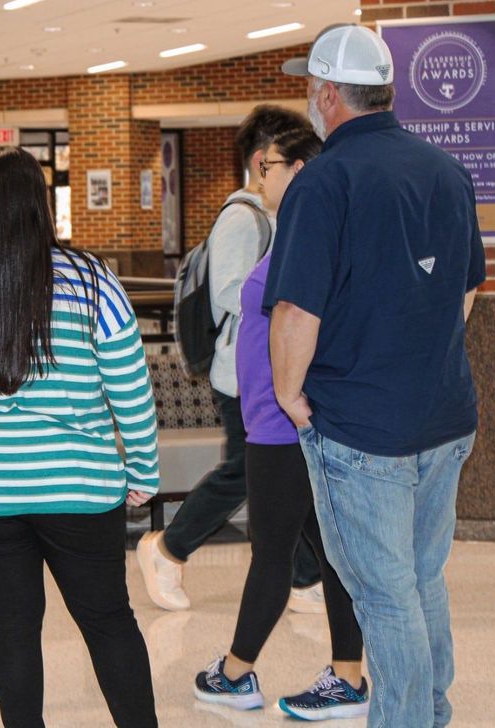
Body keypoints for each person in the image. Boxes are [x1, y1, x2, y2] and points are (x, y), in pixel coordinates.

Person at [267, 25, 486, 728]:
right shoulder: (445, 170)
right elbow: (466, 288)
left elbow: (297, 307)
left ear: (327, 94)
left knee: (385, 593)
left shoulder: (324, 180)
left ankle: (407, 719)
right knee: (422, 580)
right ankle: (430, 709)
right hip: (444, 416)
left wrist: (288, 394)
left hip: (364, 430)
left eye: (310, 85)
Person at [0, 147, 160, 728]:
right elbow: (130, 387)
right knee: (107, 619)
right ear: (39, 205)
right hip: (77, 481)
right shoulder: (91, 282)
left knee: (13, 621)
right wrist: (143, 471)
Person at [193, 124, 369, 720]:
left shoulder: (307, 234)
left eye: (265, 165)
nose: (257, 176)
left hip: (282, 422)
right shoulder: (296, 231)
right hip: (279, 419)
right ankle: (347, 675)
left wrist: (292, 403)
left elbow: (302, 319)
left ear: (297, 169)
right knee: (327, 553)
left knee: (271, 553)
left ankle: (236, 672)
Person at [137, 104, 322, 612]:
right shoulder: (242, 217)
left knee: (290, 471)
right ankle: (168, 549)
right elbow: (230, 295)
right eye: (291, 159)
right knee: (247, 471)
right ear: (264, 162)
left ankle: (306, 577)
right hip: (244, 376)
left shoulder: (277, 213)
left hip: (269, 369)